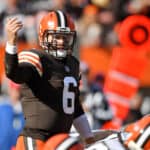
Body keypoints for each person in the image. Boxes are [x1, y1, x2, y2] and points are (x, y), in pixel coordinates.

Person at [5, 10, 95, 150]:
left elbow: (74, 107)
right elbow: (14, 74)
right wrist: (11, 43)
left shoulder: (73, 64)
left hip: (62, 141)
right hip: (36, 139)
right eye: (56, 37)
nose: (61, 42)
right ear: (43, 36)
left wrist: (89, 138)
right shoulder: (37, 58)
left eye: (65, 38)